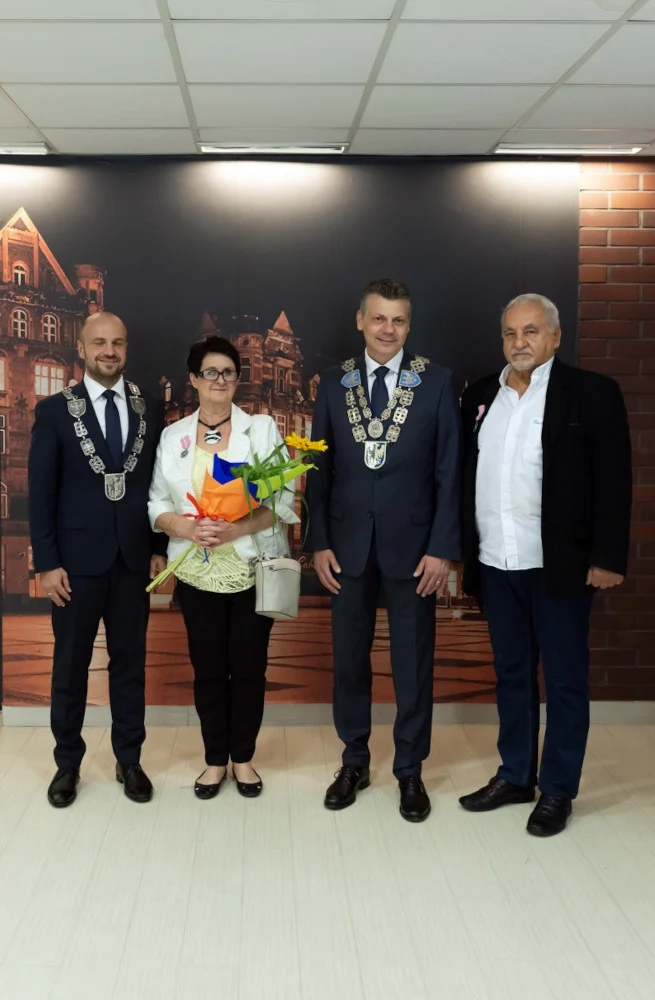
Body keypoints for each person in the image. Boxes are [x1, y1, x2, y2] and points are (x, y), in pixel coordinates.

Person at [459, 293, 632, 836]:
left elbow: (614, 480)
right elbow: (468, 475)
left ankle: (557, 788)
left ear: (555, 336)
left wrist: (607, 556)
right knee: (511, 674)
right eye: (510, 333)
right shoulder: (481, 395)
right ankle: (516, 776)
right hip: (496, 561)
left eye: (531, 331)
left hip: (560, 565)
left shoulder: (592, 393)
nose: (520, 343)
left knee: (563, 679)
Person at [306, 278, 461, 822]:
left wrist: (442, 548)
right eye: (379, 318)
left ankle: (410, 770)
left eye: (398, 320)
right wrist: (318, 541)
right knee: (349, 660)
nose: (388, 329)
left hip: (416, 550)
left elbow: (449, 472)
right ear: (360, 321)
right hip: (346, 547)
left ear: (409, 325)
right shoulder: (333, 382)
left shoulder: (436, 381)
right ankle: (354, 761)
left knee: (412, 664)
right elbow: (318, 469)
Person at [148, 335, 298, 800]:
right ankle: (215, 760)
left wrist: (235, 530)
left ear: (237, 379)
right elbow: (156, 502)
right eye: (210, 372)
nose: (219, 379)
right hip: (196, 571)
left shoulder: (263, 429)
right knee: (208, 669)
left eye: (228, 372)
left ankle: (244, 759)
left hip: (252, 569)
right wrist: (187, 528)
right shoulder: (173, 436)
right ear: (194, 379)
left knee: (250, 668)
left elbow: (282, 498)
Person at [28, 312, 167, 808]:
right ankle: (68, 764)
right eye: (100, 343)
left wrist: (158, 548)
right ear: (82, 349)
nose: (109, 351)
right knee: (70, 667)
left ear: (127, 348)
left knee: (130, 665)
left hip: (132, 561)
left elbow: (158, 485)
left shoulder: (149, 407)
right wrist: (46, 563)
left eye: (118, 343)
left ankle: (129, 759)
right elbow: (40, 493)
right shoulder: (53, 411)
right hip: (74, 566)